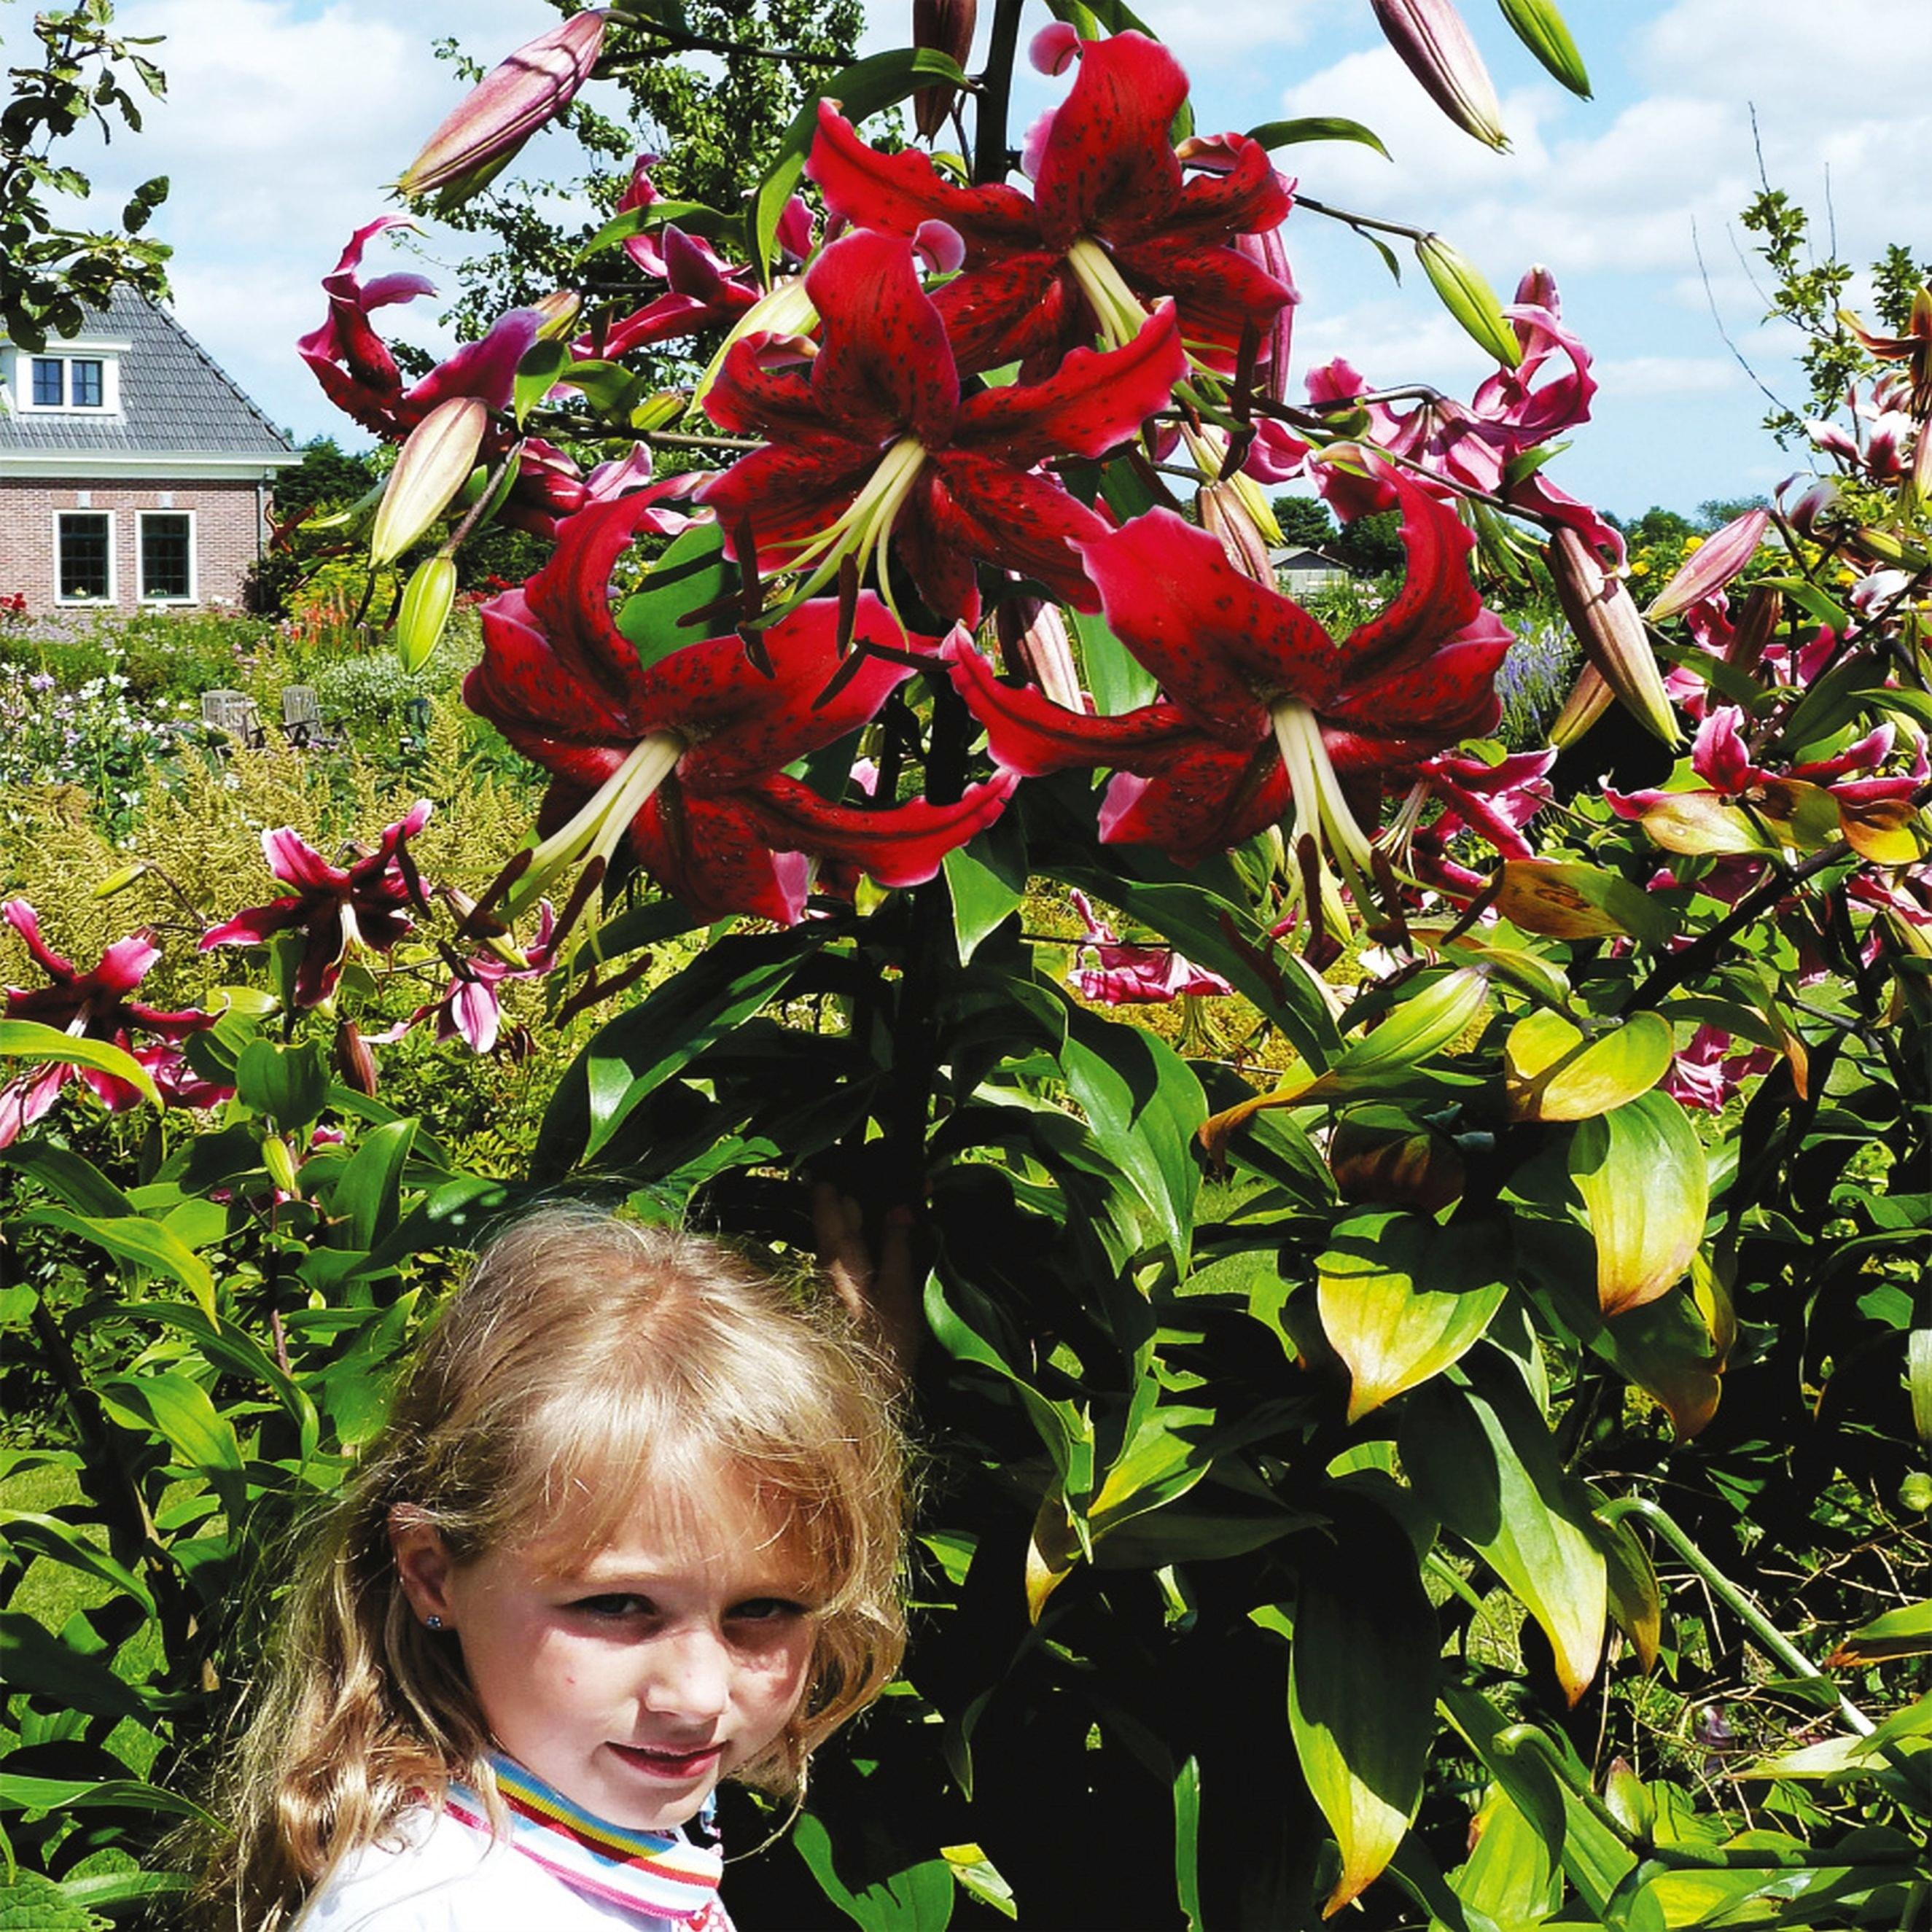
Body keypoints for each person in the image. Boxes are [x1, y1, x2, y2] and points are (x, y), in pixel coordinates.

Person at [195, 1202, 911, 1931]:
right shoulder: (445, 1911)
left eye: (763, 1609)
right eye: (616, 1604)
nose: (697, 1697)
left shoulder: (573, 1808)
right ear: (433, 1575)